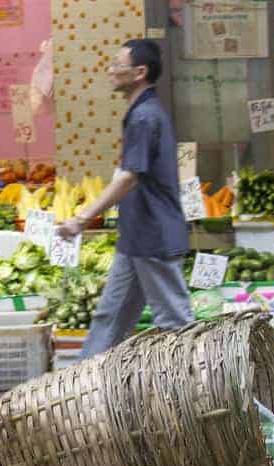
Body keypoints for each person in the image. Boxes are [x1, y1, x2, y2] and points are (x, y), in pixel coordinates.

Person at [57, 39, 193, 359]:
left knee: (175, 322)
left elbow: (129, 177)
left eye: (118, 65)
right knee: (110, 318)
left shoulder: (145, 117)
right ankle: (85, 385)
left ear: (139, 72)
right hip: (137, 236)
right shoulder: (142, 113)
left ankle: (202, 387)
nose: (111, 71)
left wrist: (81, 219)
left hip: (153, 236)